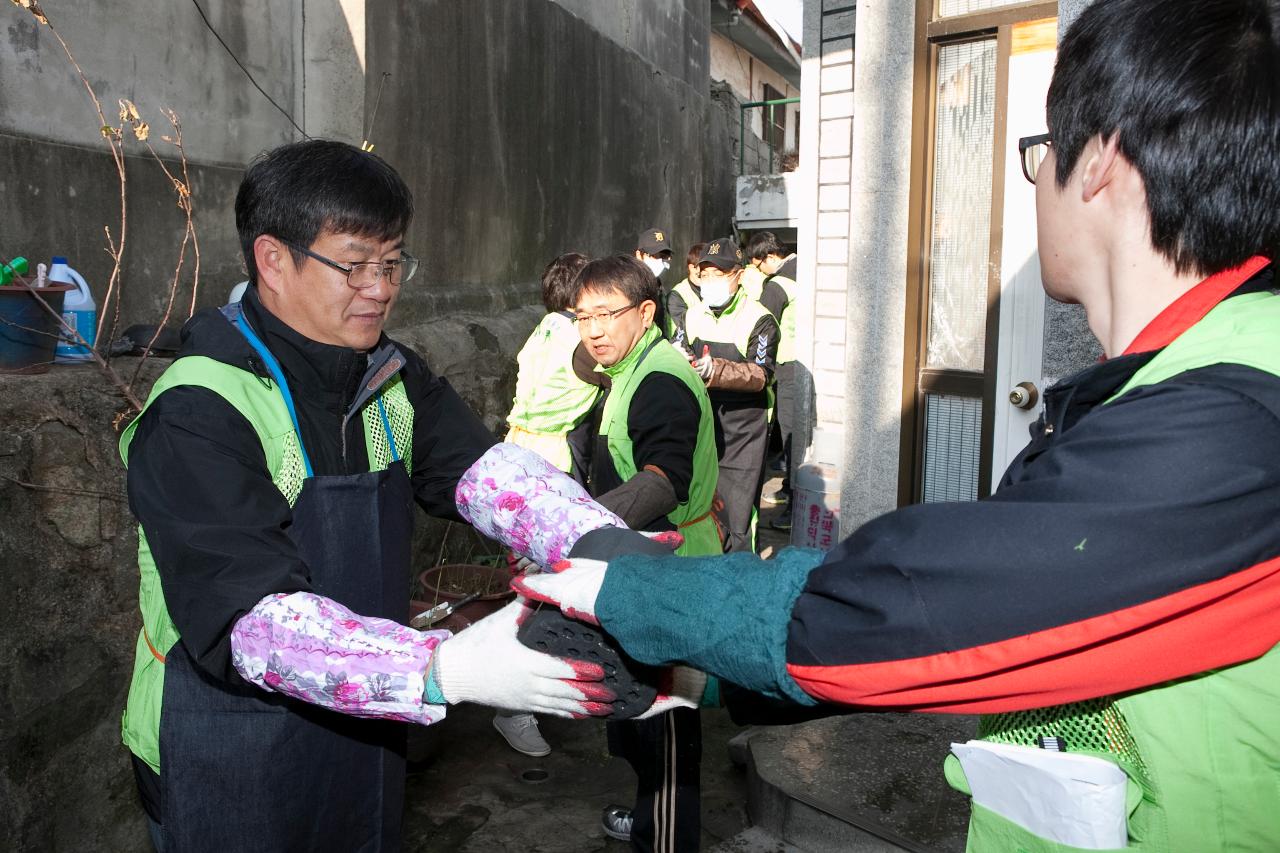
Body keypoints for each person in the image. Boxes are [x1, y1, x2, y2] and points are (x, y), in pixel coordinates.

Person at [517, 0, 1280, 848]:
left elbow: (899, 613)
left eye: (1040, 156)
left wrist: (617, 583)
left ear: (1099, 162)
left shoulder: (1230, 421)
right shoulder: (1201, 385)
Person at [119, 139, 630, 852]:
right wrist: (446, 666)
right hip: (227, 736)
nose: (382, 287)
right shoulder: (200, 409)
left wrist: (616, 556)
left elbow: (490, 475)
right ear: (272, 259)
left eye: (392, 263)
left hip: (360, 725)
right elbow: (251, 621)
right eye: (354, 264)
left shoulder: (388, 374)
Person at [572, 255, 721, 851]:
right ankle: (649, 816)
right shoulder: (631, 364)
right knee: (638, 705)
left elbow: (664, 479)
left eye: (606, 315)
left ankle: (666, 837)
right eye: (581, 316)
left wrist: (577, 526)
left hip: (673, 568)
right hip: (641, 562)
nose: (593, 331)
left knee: (665, 716)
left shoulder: (659, 379)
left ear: (646, 313)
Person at [497, 251, 602, 757]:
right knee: (538, 590)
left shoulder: (543, 327)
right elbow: (605, 374)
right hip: (548, 468)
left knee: (538, 583)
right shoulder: (576, 339)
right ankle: (512, 709)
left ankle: (540, 692)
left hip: (521, 456)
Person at [670, 238, 779, 552]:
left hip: (744, 430)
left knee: (737, 514)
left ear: (739, 275)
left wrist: (713, 370)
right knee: (701, 505)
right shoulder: (692, 315)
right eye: (705, 275)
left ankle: (740, 576)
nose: (711, 282)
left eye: (720, 274)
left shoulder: (760, 319)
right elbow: (682, 348)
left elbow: (761, 374)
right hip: (702, 423)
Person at [744, 231, 800, 522]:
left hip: (786, 365)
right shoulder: (804, 268)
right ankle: (790, 489)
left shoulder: (778, 284)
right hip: (801, 363)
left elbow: (760, 322)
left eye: (757, 265)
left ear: (768, 258)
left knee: (790, 431)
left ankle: (793, 505)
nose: (757, 271)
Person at [664, 241, 705, 347]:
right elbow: (684, 329)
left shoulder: (710, 289)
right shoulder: (677, 295)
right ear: (692, 268)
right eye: (705, 268)